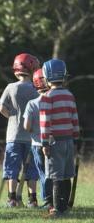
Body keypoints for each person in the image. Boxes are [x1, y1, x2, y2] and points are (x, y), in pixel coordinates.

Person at [39, 59, 80, 217]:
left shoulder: (47, 97)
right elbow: (74, 119)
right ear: (64, 76)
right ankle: (64, 207)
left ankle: (56, 210)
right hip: (69, 140)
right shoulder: (69, 95)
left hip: (54, 141)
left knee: (56, 176)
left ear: (46, 77)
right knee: (66, 174)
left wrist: (44, 142)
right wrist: (76, 140)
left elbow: (45, 122)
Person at [0, 53, 40, 207]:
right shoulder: (35, 89)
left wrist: (11, 117)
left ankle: (12, 199)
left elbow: (2, 108)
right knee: (31, 169)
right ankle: (33, 200)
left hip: (13, 135)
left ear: (16, 69)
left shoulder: (10, 87)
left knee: (12, 167)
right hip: (31, 137)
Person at [23, 68, 53, 208]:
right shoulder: (54, 101)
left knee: (43, 172)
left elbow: (26, 126)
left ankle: (47, 200)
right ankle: (57, 198)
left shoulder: (32, 104)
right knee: (55, 171)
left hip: (37, 143)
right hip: (53, 142)